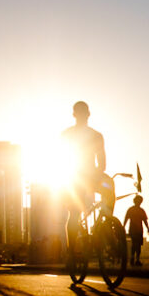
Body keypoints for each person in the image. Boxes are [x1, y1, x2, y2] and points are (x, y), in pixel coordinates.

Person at [62, 101, 106, 250]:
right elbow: (102, 163)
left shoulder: (68, 134)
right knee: (74, 213)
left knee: (73, 214)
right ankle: (73, 251)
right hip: (78, 178)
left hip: (82, 178)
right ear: (88, 114)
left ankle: (104, 223)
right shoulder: (95, 135)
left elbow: (102, 162)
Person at [124, 195, 149, 266]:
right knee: (136, 245)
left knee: (136, 245)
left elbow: (144, 220)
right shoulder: (139, 210)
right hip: (135, 230)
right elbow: (126, 219)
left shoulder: (134, 210)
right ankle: (135, 259)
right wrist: (147, 228)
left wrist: (147, 228)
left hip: (136, 230)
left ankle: (135, 260)